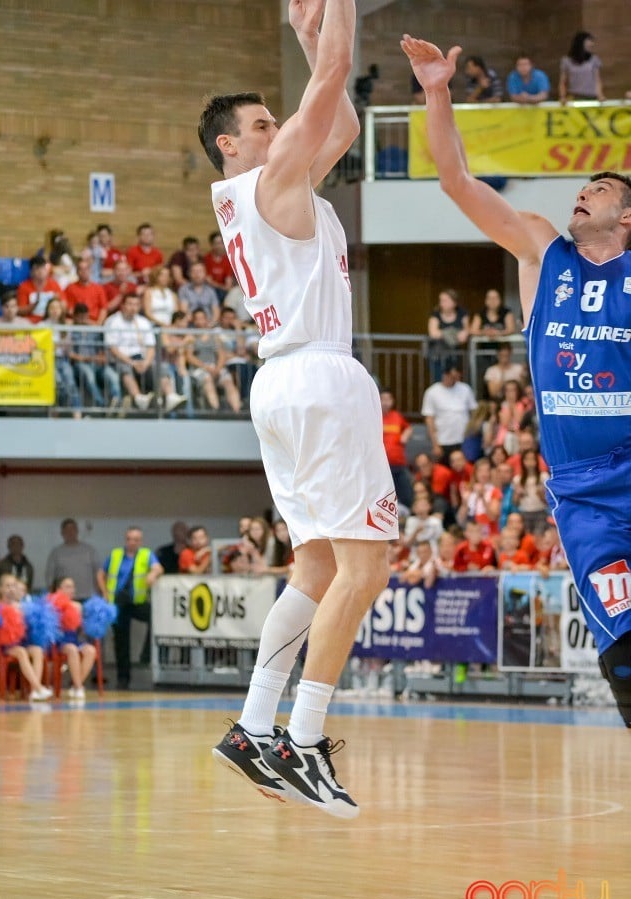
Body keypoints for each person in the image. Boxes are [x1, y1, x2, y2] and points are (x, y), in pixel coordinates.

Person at [198, 0, 396, 817]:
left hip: (280, 385)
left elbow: (338, 120)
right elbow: (333, 86)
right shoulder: (268, 179)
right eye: (262, 120)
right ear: (230, 145)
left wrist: (307, 34)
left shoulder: (274, 187)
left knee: (315, 565)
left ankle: (252, 723)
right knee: (367, 566)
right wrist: (337, 11)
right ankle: (306, 736)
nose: (278, 127)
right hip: (317, 377)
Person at [402, 31, 631, 724]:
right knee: (623, 655)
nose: (584, 193)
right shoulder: (540, 250)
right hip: (584, 493)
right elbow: (456, 182)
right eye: (584, 186)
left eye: (601, 189)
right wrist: (437, 92)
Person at [96, 527, 163, 690]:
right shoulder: (115, 555)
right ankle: (123, 678)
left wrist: (153, 574)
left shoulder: (146, 555)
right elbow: (101, 573)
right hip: (118, 602)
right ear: (125, 540)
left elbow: (158, 568)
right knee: (121, 642)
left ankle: (146, 654)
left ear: (141, 541)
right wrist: (104, 593)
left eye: (136, 539)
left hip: (137, 602)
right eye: (129, 539)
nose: (132, 542)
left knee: (156, 619)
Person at [48, 576, 96, 700]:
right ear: (59, 589)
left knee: (91, 650)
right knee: (72, 650)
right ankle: (79, 687)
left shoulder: (78, 606)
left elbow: (81, 629)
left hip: (74, 639)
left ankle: (76, 685)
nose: (72, 590)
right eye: (67, 586)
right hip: (58, 641)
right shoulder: (52, 604)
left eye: (73, 587)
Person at [421, 361, 477, 464]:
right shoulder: (432, 392)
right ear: (445, 375)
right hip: (443, 440)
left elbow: (474, 412)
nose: (454, 380)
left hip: (463, 439)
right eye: (452, 376)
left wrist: (472, 433)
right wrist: (435, 444)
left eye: (457, 377)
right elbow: (429, 419)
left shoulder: (465, 389)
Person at [45, 518, 100, 602]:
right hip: (65, 599)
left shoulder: (89, 550)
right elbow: (50, 576)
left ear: (77, 531)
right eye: (67, 530)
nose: (70, 532)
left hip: (88, 597)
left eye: (73, 529)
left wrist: (101, 593)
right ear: (62, 533)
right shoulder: (56, 552)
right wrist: (52, 597)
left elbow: (98, 573)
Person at [380, 388, 414, 511]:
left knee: (406, 494)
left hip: (398, 463)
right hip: (382, 465)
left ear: (392, 401)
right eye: (382, 399)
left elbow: (409, 428)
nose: (385, 402)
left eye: (388, 399)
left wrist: (405, 435)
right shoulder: (374, 416)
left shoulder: (397, 417)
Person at [559, 31, 605, 103]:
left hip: (591, 97)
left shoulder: (594, 59)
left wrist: (600, 95)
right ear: (581, 42)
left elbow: (597, 80)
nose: (592, 44)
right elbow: (563, 82)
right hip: (573, 97)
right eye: (589, 41)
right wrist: (562, 97)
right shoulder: (566, 61)